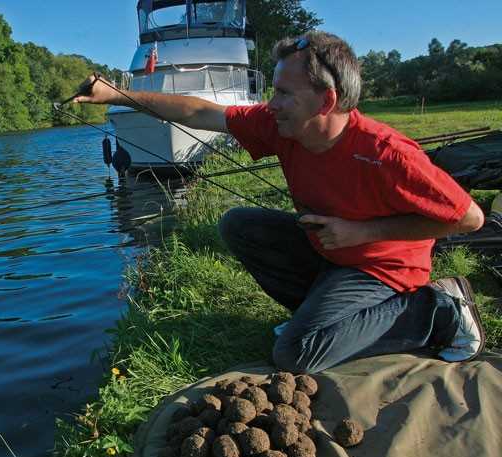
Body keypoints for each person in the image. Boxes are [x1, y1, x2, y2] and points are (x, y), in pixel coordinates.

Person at [75, 31, 487, 373]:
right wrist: (115, 95)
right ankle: (325, 317)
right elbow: (200, 111)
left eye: (284, 93)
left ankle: (439, 310)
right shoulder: (280, 125)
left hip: (381, 269)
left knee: (295, 354)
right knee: (239, 225)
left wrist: (365, 231)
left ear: (325, 101)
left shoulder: (386, 153)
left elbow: (470, 218)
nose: (271, 104)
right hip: (331, 252)